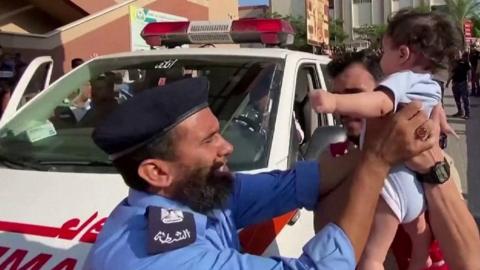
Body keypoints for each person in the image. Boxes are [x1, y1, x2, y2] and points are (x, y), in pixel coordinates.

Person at [83, 77, 437, 269]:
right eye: (209, 140)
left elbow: (297, 183)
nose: (227, 147)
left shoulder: (192, 193)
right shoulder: (163, 258)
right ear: (157, 171)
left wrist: (379, 148)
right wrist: (375, 161)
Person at [310, 9, 463, 269]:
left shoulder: (439, 167)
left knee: (375, 256)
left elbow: (462, 252)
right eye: (338, 95)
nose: (346, 107)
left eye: (356, 95)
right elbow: (328, 236)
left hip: (401, 197)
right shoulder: (331, 157)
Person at [447, 51, 471, 119]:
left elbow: (469, 73)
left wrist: (469, 82)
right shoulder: (457, 62)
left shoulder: (467, 63)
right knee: (457, 98)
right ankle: (460, 112)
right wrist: (448, 82)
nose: (463, 57)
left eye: (465, 56)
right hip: (455, 82)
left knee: (465, 98)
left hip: (463, 82)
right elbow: (453, 72)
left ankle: (467, 113)